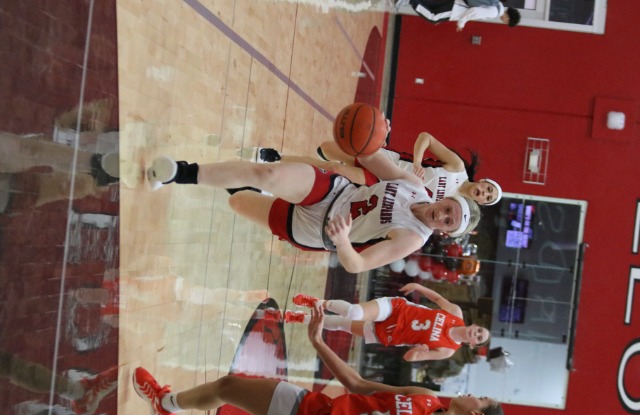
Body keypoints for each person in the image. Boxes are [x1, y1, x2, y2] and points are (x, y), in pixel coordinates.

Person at [132, 303, 506, 415]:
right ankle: (165, 404)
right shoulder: (425, 397)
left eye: (481, 398)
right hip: (319, 411)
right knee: (229, 385)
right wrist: (318, 342)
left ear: (476, 414)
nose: (473, 393)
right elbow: (359, 385)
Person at [146, 153, 481, 273]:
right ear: (447, 199)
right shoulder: (415, 186)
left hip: (316, 230)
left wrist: (343, 241)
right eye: (448, 209)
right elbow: (372, 159)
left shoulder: (411, 239)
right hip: (333, 192)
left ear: (445, 232)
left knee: (238, 201)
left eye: (448, 222)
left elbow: (357, 265)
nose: (442, 216)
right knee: (268, 174)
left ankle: (239, 185)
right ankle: (178, 172)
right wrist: (371, 138)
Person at [255, 131, 503, 206]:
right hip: (388, 161)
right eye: (488, 189)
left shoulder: (454, 208)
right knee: (326, 148)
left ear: (481, 203)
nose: (485, 193)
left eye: (488, 198)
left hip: (385, 185)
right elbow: (425, 137)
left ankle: (276, 160)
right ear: (485, 182)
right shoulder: (457, 167)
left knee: (331, 168)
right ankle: (287, 166)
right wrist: (417, 163)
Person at [281, 282, 490, 361]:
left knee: (340, 325)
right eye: (479, 330)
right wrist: (418, 287)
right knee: (354, 312)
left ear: (473, 344)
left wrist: (418, 352)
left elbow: (409, 358)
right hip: (397, 309)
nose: (477, 333)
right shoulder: (455, 312)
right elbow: (437, 298)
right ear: (474, 325)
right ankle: (317, 302)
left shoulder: (447, 351)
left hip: (390, 334)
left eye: (479, 338)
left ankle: (301, 318)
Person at [395, 0, 521, 31]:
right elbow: (474, 11)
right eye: (507, 22)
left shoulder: (497, 3)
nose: (504, 22)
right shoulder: (494, 13)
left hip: (457, 1)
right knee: (433, 17)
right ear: (508, 18)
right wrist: (461, 23)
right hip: (456, 10)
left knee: (431, 5)